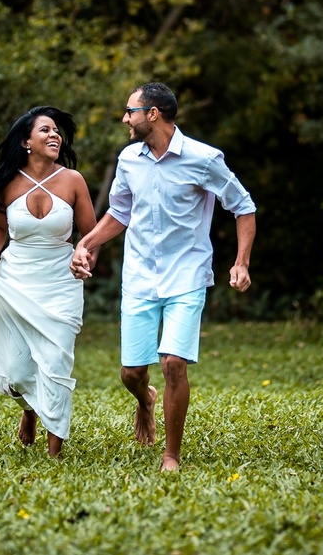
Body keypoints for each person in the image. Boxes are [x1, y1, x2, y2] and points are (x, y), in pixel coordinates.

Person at [70, 82, 256, 472]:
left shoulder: (203, 159)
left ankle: (171, 454)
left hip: (186, 274)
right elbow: (119, 213)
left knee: (173, 362)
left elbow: (243, 207)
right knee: (131, 373)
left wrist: (241, 262)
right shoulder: (128, 160)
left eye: (129, 111)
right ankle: (145, 400)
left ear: (152, 113)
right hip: (139, 275)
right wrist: (86, 245)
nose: (125, 118)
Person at [0, 105, 98, 458]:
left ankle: (55, 453)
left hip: (61, 283)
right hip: (17, 281)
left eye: (57, 132)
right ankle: (29, 409)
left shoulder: (73, 180)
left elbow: (90, 236)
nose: (55, 136)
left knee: (55, 365)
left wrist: (85, 259)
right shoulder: (6, 182)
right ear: (25, 142)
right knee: (19, 372)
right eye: (46, 131)